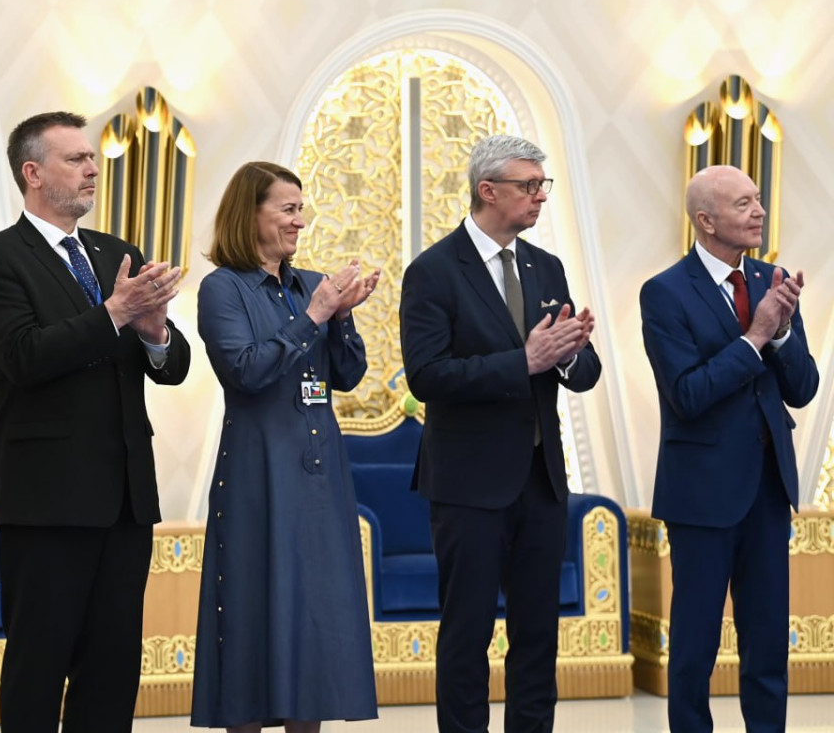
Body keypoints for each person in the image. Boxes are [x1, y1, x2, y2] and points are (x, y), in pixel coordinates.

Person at [0, 111, 191, 733]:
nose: (93, 169)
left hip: (125, 498)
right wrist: (114, 313)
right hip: (47, 499)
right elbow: (23, 356)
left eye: (92, 158)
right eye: (76, 159)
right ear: (33, 173)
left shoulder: (116, 253)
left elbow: (171, 368)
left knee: (112, 670)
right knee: (38, 667)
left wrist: (155, 332)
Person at [399, 134, 601, 733]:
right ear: (487, 190)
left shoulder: (547, 267)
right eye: (528, 186)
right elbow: (428, 376)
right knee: (468, 634)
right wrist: (526, 361)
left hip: (541, 481)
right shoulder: (434, 271)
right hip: (468, 485)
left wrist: (569, 353)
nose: (540, 196)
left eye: (543, 185)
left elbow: (583, 371)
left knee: (538, 635)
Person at [190, 161, 381, 732]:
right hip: (258, 473)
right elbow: (246, 371)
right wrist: (315, 315)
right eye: (288, 209)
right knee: (252, 612)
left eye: (302, 209)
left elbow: (346, 375)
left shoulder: (310, 283)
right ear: (250, 214)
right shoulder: (223, 288)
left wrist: (340, 318)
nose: (301, 221)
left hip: (321, 479)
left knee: (315, 623)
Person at [640, 164, 818, 732]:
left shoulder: (772, 280)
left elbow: (803, 388)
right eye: (744, 203)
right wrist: (757, 335)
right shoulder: (664, 292)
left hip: (767, 489)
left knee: (767, 644)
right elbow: (688, 395)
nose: (759, 211)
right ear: (706, 220)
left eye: (758, 199)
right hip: (701, 495)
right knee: (694, 649)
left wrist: (783, 333)